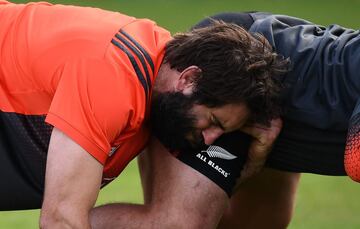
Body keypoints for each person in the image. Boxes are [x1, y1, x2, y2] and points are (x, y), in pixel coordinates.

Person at [0, 1, 287, 228]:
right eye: (214, 122)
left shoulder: (157, 90)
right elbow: (60, 220)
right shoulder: (113, 78)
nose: (211, 139)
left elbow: (189, 219)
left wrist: (250, 168)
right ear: (188, 79)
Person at [91, 12, 360, 228]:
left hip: (275, 111)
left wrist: (252, 165)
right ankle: (64, 223)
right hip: (236, 72)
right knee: (177, 224)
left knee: (261, 222)